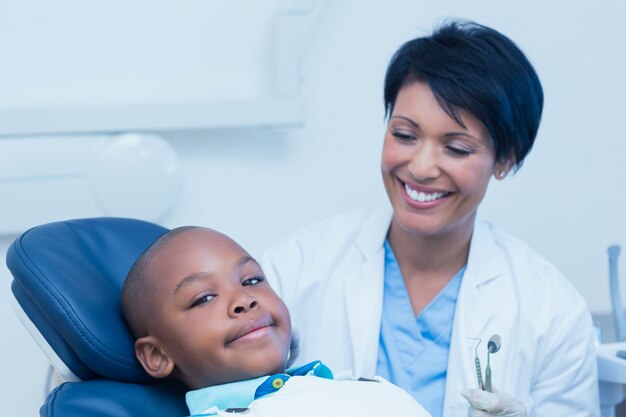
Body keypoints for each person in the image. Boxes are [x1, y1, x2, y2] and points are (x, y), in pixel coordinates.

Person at [261, 19, 599, 417]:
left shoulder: (553, 314)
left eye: (456, 148)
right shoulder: (293, 268)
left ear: (505, 159)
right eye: (404, 135)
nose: (420, 167)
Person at [121, 226, 432, 417]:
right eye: (204, 298)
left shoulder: (357, 388)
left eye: (252, 279)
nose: (244, 300)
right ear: (157, 355)